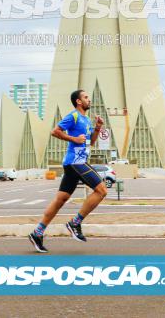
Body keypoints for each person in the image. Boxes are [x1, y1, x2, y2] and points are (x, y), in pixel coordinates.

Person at [28, 89, 107, 253]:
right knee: (101, 190)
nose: (89, 100)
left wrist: (98, 128)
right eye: (86, 98)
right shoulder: (74, 116)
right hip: (76, 162)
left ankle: (37, 233)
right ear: (78, 101)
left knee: (60, 200)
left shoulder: (85, 120)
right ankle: (75, 223)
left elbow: (90, 142)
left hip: (75, 163)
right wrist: (73, 139)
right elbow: (55, 131)